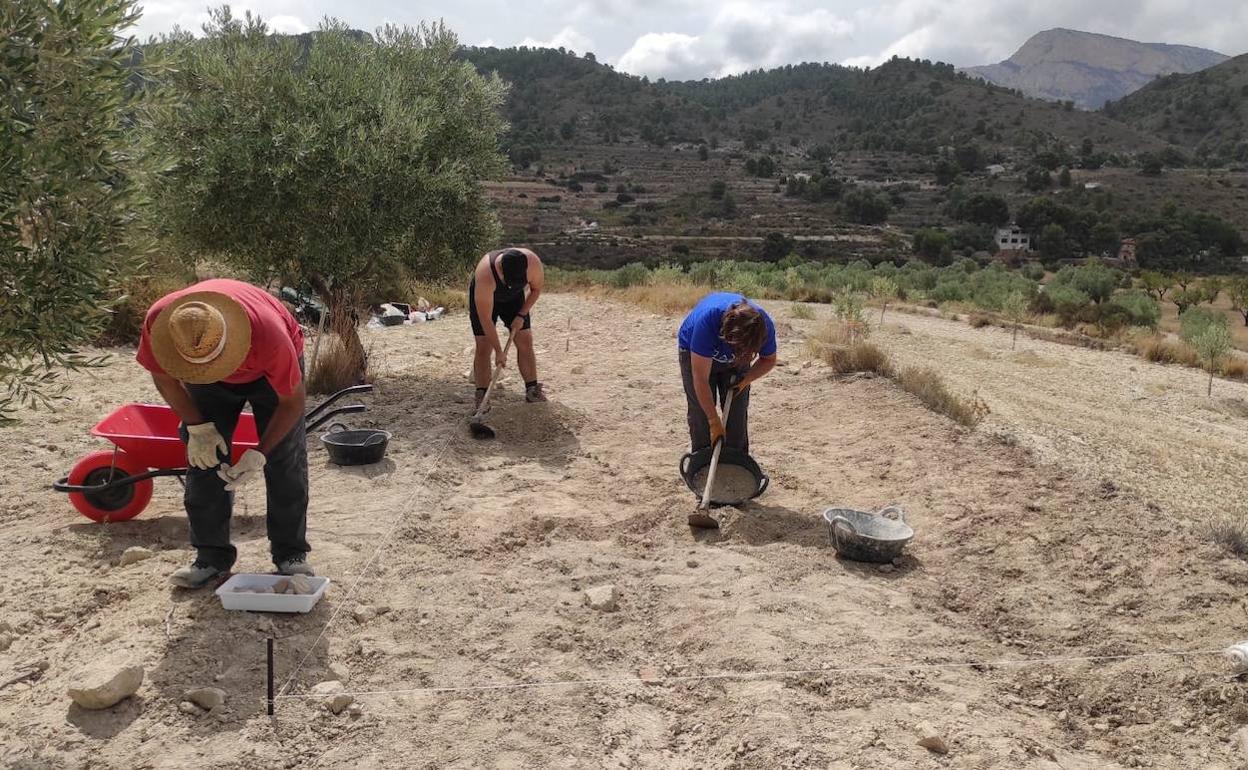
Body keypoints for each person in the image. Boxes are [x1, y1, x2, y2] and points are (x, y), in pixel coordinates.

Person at [136, 279, 313, 588]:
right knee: (204, 458)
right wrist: (197, 427)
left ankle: (291, 553)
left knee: (285, 458)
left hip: (267, 376)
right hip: (207, 385)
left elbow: (291, 402)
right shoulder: (164, 324)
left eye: (216, 361)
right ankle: (210, 557)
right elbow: (163, 378)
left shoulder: (269, 335)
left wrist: (260, 453)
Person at [677, 292, 778, 454]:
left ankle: (736, 459)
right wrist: (713, 421)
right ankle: (702, 461)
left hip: (735, 362)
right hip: (694, 352)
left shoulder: (764, 327)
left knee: (736, 415)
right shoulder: (708, 322)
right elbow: (701, 379)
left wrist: (746, 379)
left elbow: (768, 360)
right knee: (701, 415)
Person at [469, 247, 547, 406]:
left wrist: (521, 315)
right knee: (484, 345)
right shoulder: (485, 275)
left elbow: (536, 289)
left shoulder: (533, 264)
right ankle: (482, 396)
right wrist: (499, 351)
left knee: (525, 339)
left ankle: (532, 390)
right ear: (501, 271)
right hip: (486, 298)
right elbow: (485, 319)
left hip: (514, 299)